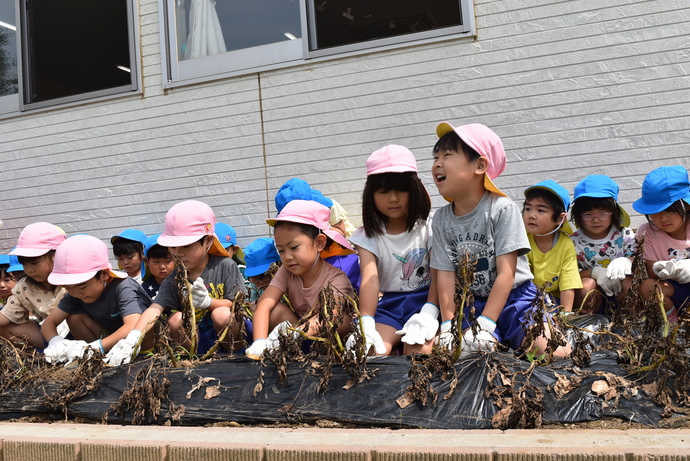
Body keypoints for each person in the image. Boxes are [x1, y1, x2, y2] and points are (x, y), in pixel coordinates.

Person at [430, 122, 570, 358]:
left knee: (555, 353)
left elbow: (507, 273)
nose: (437, 163)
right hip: (473, 303)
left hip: (518, 300)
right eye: (435, 157)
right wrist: (448, 327)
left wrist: (486, 325)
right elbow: (445, 274)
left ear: (480, 165)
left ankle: (535, 328)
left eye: (447, 155)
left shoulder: (501, 209)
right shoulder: (441, 219)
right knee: (467, 355)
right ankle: (497, 339)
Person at [106, 200, 247, 365]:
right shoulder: (176, 275)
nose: (178, 253)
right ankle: (196, 360)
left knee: (221, 314)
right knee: (175, 319)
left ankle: (234, 358)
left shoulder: (225, 266)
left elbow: (236, 304)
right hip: (197, 340)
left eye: (185, 246)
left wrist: (209, 303)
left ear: (207, 242)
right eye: (173, 247)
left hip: (227, 337)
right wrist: (134, 337)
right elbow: (155, 308)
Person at [348, 144, 438, 356]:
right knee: (371, 352)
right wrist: (366, 321)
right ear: (371, 194)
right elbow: (370, 279)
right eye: (384, 191)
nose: (393, 198)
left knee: (418, 352)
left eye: (402, 189)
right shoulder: (366, 236)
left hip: (425, 301)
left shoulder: (430, 226)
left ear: (415, 189)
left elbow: (438, 273)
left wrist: (430, 311)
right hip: (390, 307)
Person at [245, 199, 355, 359]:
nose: (287, 257)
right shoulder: (286, 271)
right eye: (281, 250)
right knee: (275, 310)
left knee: (341, 320)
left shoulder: (336, 278)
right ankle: (293, 354)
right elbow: (264, 304)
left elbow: (331, 316)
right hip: (300, 339)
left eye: (294, 247)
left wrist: (295, 334)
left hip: (333, 345)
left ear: (319, 243)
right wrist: (259, 342)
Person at [41, 234, 152, 364]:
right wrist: (56, 342)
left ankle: (144, 359)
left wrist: (96, 346)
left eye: (82, 287)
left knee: (143, 325)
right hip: (109, 340)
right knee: (74, 317)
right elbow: (49, 323)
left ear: (104, 274)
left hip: (141, 343)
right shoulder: (75, 293)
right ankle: (96, 360)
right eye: (68, 287)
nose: (76, 293)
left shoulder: (123, 287)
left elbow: (133, 325)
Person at [274, 178, 361, 293]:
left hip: (334, 252)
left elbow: (341, 232)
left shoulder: (330, 207)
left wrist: (323, 228)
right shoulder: (290, 271)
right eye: (281, 250)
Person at [569, 175, 636, 313]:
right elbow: (570, 274)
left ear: (614, 212)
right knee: (586, 285)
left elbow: (637, 259)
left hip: (620, 293)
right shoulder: (572, 242)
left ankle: (629, 323)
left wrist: (627, 260)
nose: (596, 220)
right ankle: (587, 327)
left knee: (629, 283)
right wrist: (594, 272)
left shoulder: (624, 235)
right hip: (593, 297)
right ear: (578, 215)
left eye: (603, 213)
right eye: (588, 214)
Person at [633, 166, 690, 322]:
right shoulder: (647, 232)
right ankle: (672, 325)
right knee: (648, 286)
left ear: (686, 205)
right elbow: (650, 270)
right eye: (656, 211)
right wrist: (668, 270)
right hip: (671, 288)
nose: (663, 218)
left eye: (670, 210)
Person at [0, 223, 67, 348]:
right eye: (25, 264)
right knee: (4, 327)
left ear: (57, 255)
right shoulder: (25, 287)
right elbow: (6, 315)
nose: (29, 270)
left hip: (75, 334)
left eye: (35, 263)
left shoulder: (72, 280)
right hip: (48, 337)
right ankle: (40, 357)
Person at [522, 180, 582, 313]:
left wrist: (565, 315)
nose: (531, 215)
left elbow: (568, 282)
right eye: (528, 208)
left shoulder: (566, 244)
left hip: (554, 301)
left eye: (541, 210)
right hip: (525, 299)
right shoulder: (522, 239)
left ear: (560, 219)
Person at [243, 237, 281, 304]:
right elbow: (250, 303)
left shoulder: (288, 281)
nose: (260, 282)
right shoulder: (253, 286)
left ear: (279, 265)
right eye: (254, 278)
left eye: (265, 276)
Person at [141, 234, 174, 299]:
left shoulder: (182, 283)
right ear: (146, 262)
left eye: (167, 261)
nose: (162, 267)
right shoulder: (145, 288)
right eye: (156, 262)